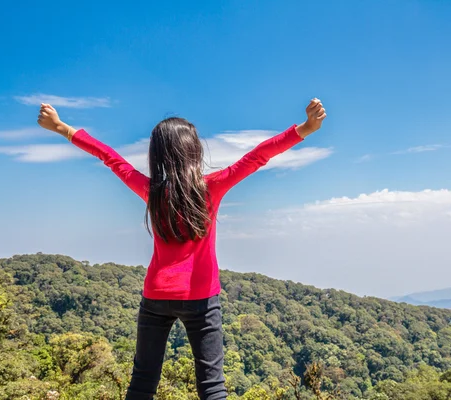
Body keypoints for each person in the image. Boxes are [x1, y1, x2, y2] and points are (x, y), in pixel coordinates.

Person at [36, 99, 327, 400]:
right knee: (212, 386)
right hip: (201, 297)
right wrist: (305, 128)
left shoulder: (151, 192)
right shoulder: (212, 186)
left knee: (143, 382)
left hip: (156, 296)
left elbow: (111, 158)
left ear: (157, 154)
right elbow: (257, 157)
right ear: (194, 151)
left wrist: (62, 128)